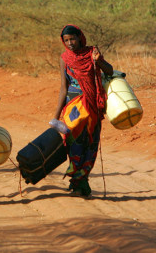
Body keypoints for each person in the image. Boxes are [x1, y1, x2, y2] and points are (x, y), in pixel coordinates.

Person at [52, 24, 113, 198]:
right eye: (66, 40)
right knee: (74, 143)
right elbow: (63, 88)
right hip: (73, 105)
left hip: (93, 104)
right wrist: (55, 117)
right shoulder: (64, 58)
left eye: (72, 39)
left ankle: (80, 182)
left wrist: (99, 60)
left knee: (91, 143)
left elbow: (109, 71)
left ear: (80, 37)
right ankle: (79, 183)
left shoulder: (92, 52)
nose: (70, 43)